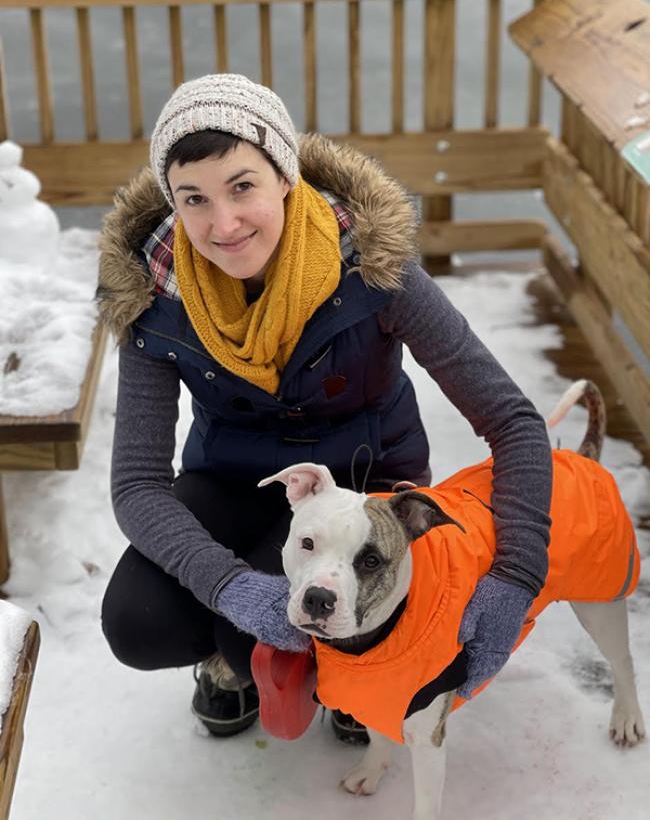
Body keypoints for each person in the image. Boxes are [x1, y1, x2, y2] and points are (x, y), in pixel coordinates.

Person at [99, 74, 552, 742]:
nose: (222, 224)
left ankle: (350, 669)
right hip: (235, 481)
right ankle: (236, 660)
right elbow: (137, 480)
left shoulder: (371, 266)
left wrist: (516, 575)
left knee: (303, 609)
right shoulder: (154, 292)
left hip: (365, 489)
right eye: (194, 198)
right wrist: (229, 586)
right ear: (173, 201)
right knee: (143, 621)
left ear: (284, 174)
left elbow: (512, 420)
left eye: (242, 186)